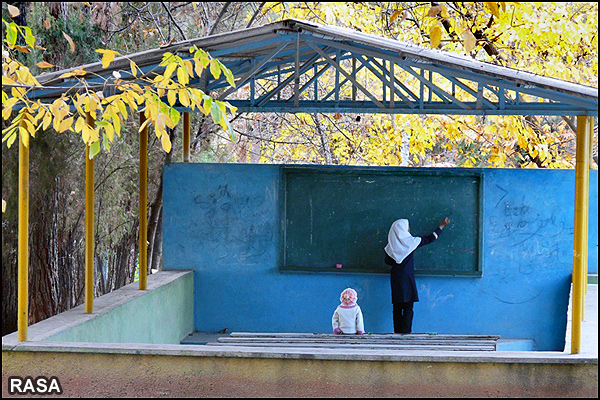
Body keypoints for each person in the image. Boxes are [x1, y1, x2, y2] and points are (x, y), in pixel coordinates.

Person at [384, 217, 450, 334]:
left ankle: (397, 334)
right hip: (408, 278)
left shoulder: (390, 247)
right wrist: (441, 226)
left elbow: (387, 261)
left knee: (397, 308)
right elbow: (430, 238)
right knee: (408, 308)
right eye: (407, 227)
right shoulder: (412, 242)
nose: (409, 229)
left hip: (396, 278)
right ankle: (406, 334)